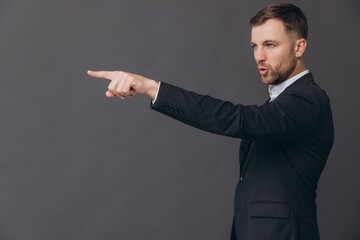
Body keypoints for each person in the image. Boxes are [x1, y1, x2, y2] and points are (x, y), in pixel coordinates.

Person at [87, 3, 334, 240]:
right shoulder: (279, 103)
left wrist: (152, 88)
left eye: (270, 45)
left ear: (299, 47)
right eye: (254, 46)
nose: (259, 56)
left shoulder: (308, 99)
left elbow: (241, 120)